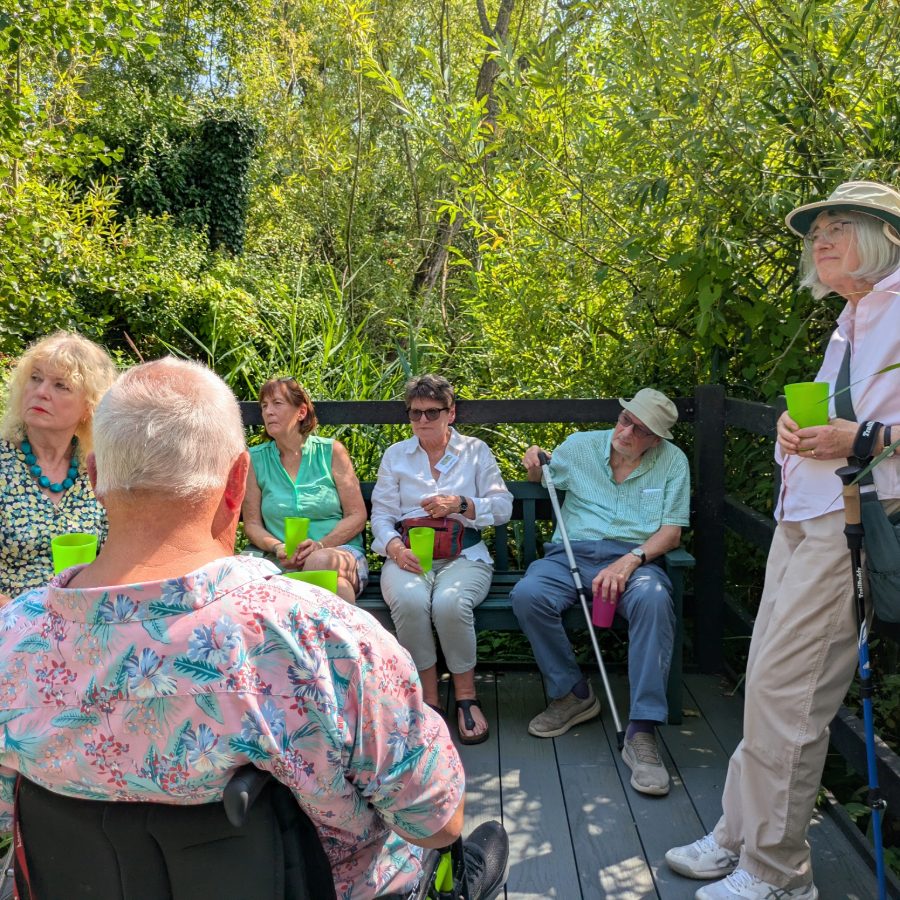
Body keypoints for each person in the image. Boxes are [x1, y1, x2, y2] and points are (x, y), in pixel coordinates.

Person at [0, 358, 508, 900]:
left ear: (96, 475)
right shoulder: (324, 638)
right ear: (238, 481)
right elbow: (436, 820)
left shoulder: (15, 639)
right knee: (462, 848)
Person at [666, 181, 900, 899]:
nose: (820, 238)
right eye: (816, 229)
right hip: (803, 516)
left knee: (791, 695)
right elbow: (832, 427)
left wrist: (858, 437)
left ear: (886, 235)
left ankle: (777, 872)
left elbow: (867, 434)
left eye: (839, 224)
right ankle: (739, 835)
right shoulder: (852, 318)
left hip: (855, 522)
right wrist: (791, 438)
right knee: (767, 682)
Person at [511, 388, 690, 796]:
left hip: (633, 560)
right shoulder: (580, 446)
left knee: (653, 599)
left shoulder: (673, 463)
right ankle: (574, 693)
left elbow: (672, 531)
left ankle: (642, 729)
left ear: (656, 440)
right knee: (528, 595)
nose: (625, 431)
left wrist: (631, 561)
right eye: (625, 418)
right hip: (569, 554)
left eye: (639, 429)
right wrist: (534, 460)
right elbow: (542, 478)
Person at [370, 375, 513, 745]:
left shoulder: (475, 451)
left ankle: (466, 697)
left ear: (451, 413)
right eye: (414, 413)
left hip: (465, 553)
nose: (422, 421)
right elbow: (382, 515)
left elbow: (502, 507)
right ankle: (428, 700)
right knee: (411, 600)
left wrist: (461, 504)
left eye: (432, 412)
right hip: (410, 556)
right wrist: (394, 548)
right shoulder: (396, 456)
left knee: (450, 602)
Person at [0, 331, 117, 604]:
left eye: (60, 386)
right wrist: (24, 619)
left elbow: (116, 555)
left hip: (82, 620)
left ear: (89, 406)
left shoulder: (97, 471)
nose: (41, 392)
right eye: (36, 378)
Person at [242, 377, 368, 603]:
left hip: (338, 553)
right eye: (264, 406)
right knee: (338, 589)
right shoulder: (255, 459)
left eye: (277, 404)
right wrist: (279, 547)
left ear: (301, 412)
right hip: (282, 560)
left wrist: (320, 545)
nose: (268, 411)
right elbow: (252, 524)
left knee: (319, 562)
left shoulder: (332, 452)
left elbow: (357, 515)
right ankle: (346, 639)